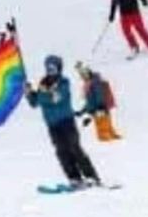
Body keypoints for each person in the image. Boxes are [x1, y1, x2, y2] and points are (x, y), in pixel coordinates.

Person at [25, 55, 101, 189]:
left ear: (59, 69)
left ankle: (91, 176)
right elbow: (35, 103)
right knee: (61, 151)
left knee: (75, 148)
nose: (50, 71)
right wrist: (29, 93)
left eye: (53, 68)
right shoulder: (43, 83)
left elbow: (56, 98)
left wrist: (43, 95)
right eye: (48, 68)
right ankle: (74, 178)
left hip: (67, 121)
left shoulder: (64, 82)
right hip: (52, 125)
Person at [74, 62, 122, 141]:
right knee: (104, 122)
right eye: (81, 75)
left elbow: (98, 93)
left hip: (100, 107)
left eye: (84, 74)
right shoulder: (88, 84)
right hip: (97, 108)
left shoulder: (94, 82)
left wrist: (100, 105)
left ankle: (107, 137)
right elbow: (89, 101)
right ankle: (110, 135)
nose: (83, 77)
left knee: (102, 123)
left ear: (88, 72)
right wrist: (82, 111)